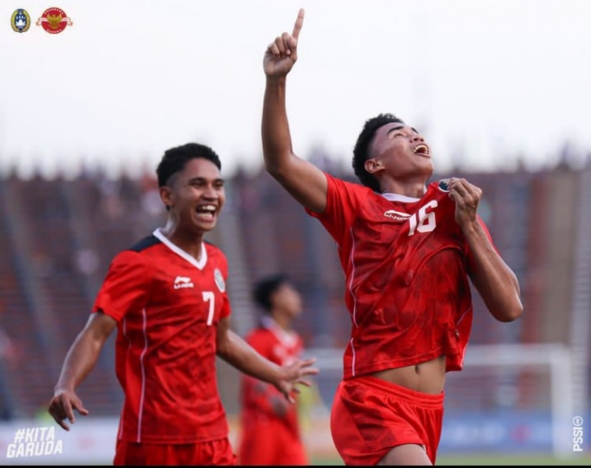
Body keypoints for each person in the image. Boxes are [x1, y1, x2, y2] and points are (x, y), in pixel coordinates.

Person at [261, 9, 523, 466]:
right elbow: (282, 161)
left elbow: (510, 307)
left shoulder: (458, 211)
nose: (415, 136)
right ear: (374, 166)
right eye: (399, 134)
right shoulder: (356, 206)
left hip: (429, 410)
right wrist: (277, 82)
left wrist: (469, 227)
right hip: (373, 398)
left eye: (417, 132)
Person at [47, 143, 318, 466]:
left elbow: (222, 339)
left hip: (212, 435)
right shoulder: (138, 263)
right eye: (197, 184)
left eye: (218, 186)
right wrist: (66, 384)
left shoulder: (217, 262)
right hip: (155, 439)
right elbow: (95, 333)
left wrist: (275, 373)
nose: (211, 194)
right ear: (167, 196)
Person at [238, 274, 309, 465]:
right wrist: (272, 399)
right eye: (290, 292)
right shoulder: (258, 339)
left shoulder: (295, 340)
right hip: (264, 426)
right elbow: (251, 379)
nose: (297, 297)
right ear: (275, 298)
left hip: (289, 425)